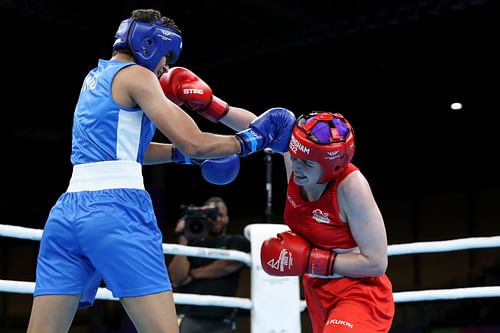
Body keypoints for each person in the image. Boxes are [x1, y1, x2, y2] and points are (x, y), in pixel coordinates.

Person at [27, 8, 295, 333]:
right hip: (116, 213)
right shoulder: (138, 76)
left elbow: (127, 153)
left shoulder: (95, 77)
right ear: (149, 44)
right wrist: (250, 141)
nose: (165, 67)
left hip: (66, 215)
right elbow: (195, 141)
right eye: (166, 57)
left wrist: (180, 157)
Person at [260, 112, 395, 333]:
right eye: (294, 156)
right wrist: (212, 107)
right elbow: (258, 127)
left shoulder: (351, 187)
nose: (297, 166)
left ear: (330, 164)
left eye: (307, 162)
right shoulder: (296, 163)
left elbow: (377, 263)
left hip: (359, 292)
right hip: (318, 293)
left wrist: (312, 260)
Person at [168, 196, 249, 333]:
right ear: (203, 217)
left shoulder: (235, 241)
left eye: (220, 215)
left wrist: (193, 274)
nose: (216, 219)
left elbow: (227, 265)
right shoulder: (191, 245)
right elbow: (176, 278)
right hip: (190, 317)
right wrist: (183, 239)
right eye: (211, 215)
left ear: (227, 218)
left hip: (223, 320)